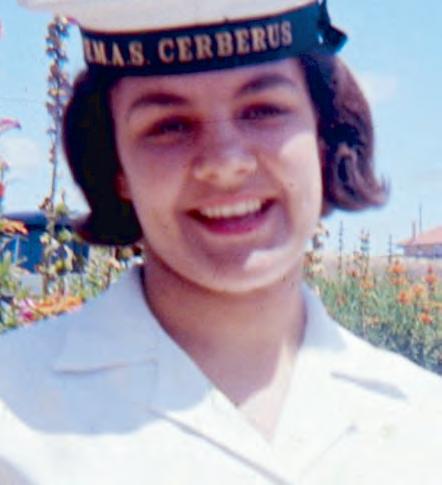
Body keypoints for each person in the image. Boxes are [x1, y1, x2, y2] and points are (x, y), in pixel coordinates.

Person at [1, 0, 441, 483]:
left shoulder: (421, 426)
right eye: (169, 126)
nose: (225, 162)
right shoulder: (14, 416)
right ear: (116, 165)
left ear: (323, 135)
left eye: (263, 110)